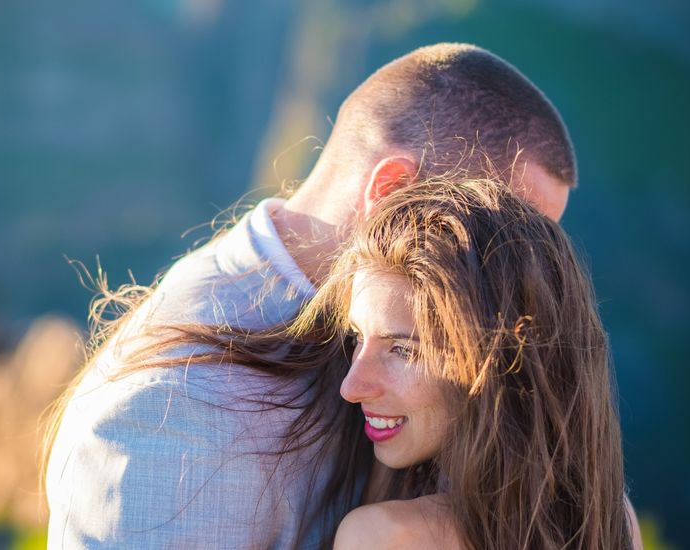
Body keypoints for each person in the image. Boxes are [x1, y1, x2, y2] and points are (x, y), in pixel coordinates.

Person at [43, 43, 591, 548]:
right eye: (496, 247)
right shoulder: (169, 417)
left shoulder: (460, 356)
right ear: (392, 191)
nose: (521, 296)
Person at [279, 179, 637, 549]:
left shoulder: (386, 537)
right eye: (356, 337)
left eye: (404, 350)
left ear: (500, 363)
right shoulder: (609, 517)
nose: (351, 387)